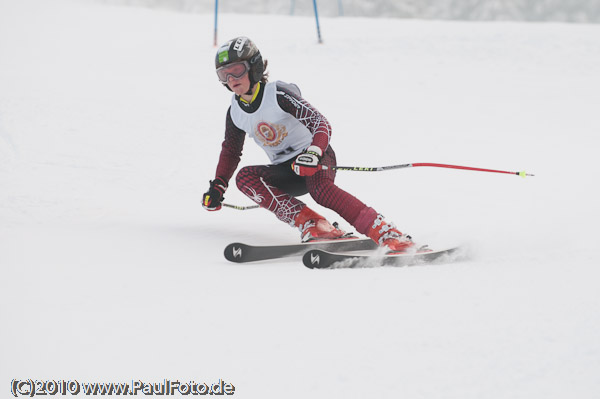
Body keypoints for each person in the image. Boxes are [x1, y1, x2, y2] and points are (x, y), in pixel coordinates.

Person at [203, 36, 414, 252]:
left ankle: (387, 233)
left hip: (315, 157)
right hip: (287, 171)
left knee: (321, 190)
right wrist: (218, 186)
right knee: (245, 178)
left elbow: (319, 123)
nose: (230, 78)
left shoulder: (277, 94)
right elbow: (230, 152)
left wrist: (314, 153)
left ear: (254, 66)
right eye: (223, 74)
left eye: (236, 70)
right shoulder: (235, 112)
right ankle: (314, 224)